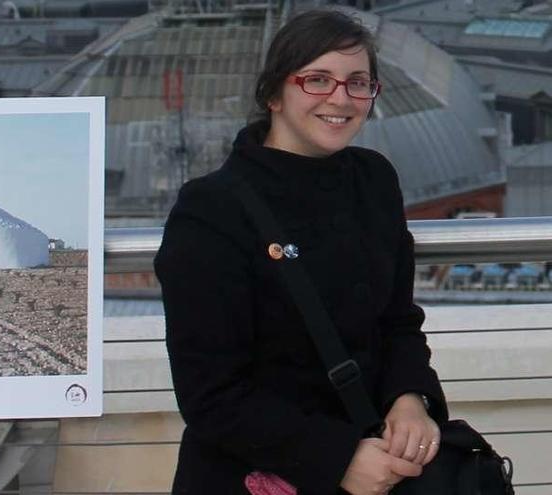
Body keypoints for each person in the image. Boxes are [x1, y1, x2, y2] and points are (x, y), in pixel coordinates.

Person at [153, 10, 449, 495]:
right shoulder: (211, 209)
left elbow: (397, 321)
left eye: (358, 82)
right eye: (317, 80)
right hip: (257, 474)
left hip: (381, 463)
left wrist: (410, 399)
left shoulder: (374, 179)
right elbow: (210, 394)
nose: (340, 98)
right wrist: (338, 459)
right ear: (274, 94)